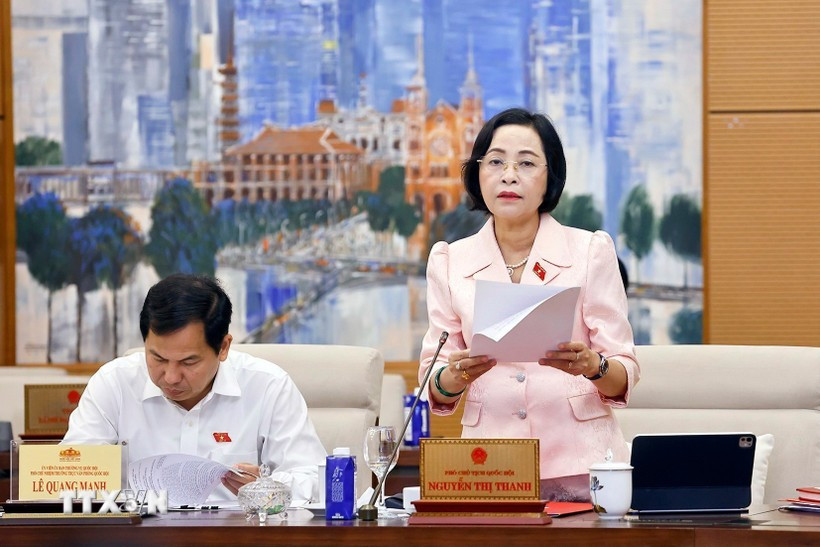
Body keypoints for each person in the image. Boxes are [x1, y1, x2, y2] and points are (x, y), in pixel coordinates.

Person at [419, 107, 639, 501]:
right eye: (496, 161)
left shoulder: (590, 251)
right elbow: (432, 381)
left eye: (526, 163)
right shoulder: (450, 261)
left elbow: (625, 372)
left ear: (549, 177)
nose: (509, 175)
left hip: (583, 467)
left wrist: (594, 365)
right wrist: (455, 376)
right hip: (488, 468)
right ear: (477, 174)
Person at [64, 274, 326, 503]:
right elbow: (71, 477)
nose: (171, 376)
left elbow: (315, 479)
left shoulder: (268, 386)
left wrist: (268, 488)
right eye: (158, 358)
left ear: (223, 347)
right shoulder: (113, 384)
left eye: (189, 362)